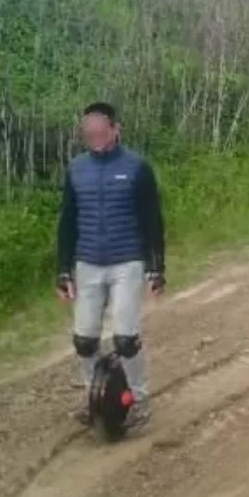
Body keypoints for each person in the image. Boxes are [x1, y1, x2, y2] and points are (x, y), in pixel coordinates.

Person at [55, 101, 166, 429]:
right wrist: (63, 269)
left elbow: (152, 221)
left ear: (116, 130)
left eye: (101, 130)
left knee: (125, 339)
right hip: (88, 263)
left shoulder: (137, 168)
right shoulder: (76, 169)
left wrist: (156, 267)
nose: (95, 136)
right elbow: (68, 222)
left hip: (127, 262)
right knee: (84, 340)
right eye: (89, 131)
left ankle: (140, 400)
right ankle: (94, 398)